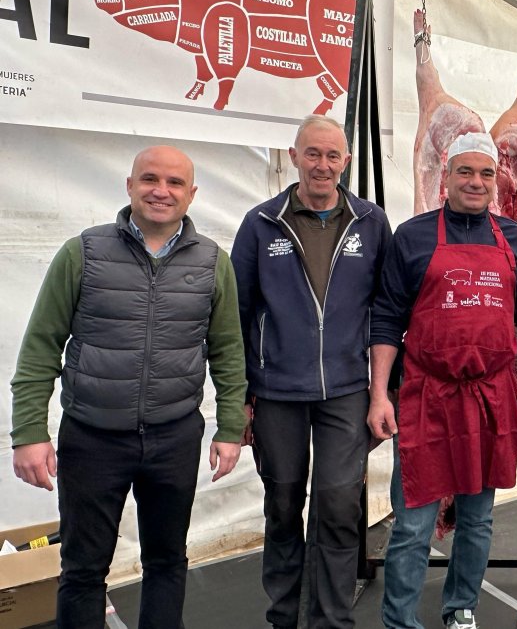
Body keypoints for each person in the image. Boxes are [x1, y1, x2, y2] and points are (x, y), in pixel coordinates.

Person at [10, 146, 246, 627]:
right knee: (82, 569)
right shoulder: (83, 253)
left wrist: (230, 426)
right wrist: (28, 432)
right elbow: (40, 347)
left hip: (174, 437)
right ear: (130, 186)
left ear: (192, 193)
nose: (162, 191)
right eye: (150, 179)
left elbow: (228, 351)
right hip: (92, 438)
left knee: (166, 561)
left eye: (175, 183)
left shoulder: (213, 262)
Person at [367, 131, 517, 629]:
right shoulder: (414, 235)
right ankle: (400, 620)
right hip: (427, 395)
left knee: (478, 517)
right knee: (414, 522)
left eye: (485, 173)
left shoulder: (514, 239)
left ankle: (461, 606)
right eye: (465, 171)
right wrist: (380, 393)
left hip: (491, 396)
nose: (475, 181)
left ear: (497, 180)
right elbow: (386, 319)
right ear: (445, 177)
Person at [231, 115, 392, 629]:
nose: (323, 165)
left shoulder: (371, 222)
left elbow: (388, 309)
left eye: (332, 156)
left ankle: (331, 620)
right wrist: (239, 396)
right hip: (276, 391)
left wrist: (385, 391)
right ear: (295, 156)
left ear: (346, 161)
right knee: (282, 505)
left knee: (339, 506)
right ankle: (283, 616)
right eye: (313, 154)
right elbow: (234, 314)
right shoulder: (261, 223)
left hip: (346, 390)